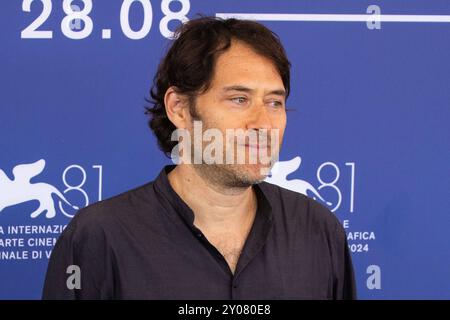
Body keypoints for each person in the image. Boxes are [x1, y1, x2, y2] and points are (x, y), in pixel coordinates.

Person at [42, 17, 356, 300]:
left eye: (275, 102)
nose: (264, 123)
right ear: (179, 108)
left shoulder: (318, 230)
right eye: (239, 99)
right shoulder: (99, 238)